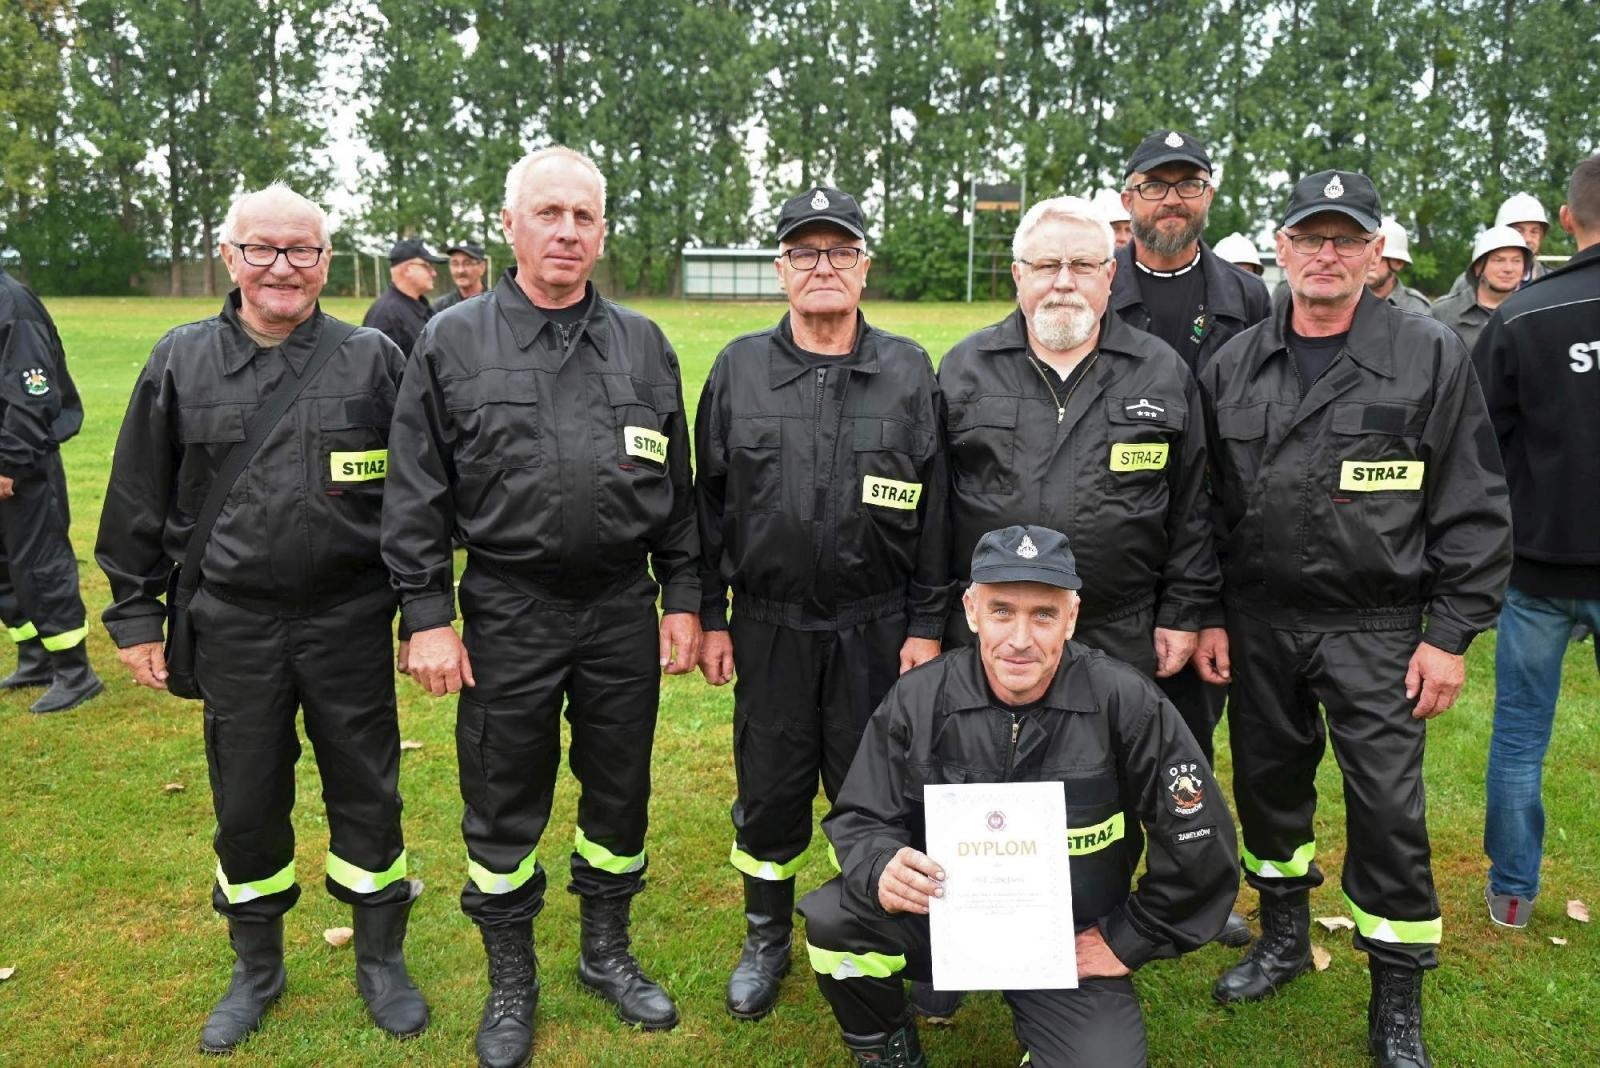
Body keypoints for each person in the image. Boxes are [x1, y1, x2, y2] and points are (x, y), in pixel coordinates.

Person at [383, 145, 700, 1068]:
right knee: (502, 795)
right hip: (507, 608)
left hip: (617, 609)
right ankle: (510, 977)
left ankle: (605, 952)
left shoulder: (643, 343)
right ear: (511, 223)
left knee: (619, 789)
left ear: (603, 230)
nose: (567, 231)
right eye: (549, 213)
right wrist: (428, 615)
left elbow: (678, 492)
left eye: (584, 217)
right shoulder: (451, 339)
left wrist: (682, 593)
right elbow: (414, 492)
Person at [95, 183, 426, 1053]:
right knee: (246, 801)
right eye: (263, 249)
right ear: (229, 255)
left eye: (302, 251)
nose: (283, 266)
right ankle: (257, 966)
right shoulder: (179, 359)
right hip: (234, 624)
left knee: (369, 792)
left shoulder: (374, 359)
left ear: (326, 260)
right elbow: (135, 495)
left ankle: (381, 958)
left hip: (350, 618)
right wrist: (134, 617)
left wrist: (421, 609)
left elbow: (419, 499)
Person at [1196, 169, 1512, 1068]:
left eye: (1347, 238)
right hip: (1259, 625)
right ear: (1282, 250)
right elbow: (1203, 510)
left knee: (1386, 814)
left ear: (1377, 253)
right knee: (1267, 794)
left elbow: (1474, 501)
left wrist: (1450, 635)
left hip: (1379, 628)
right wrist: (1211, 614)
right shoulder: (1234, 363)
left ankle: (1396, 995)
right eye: (1310, 237)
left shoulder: (1428, 354)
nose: (1326, 254)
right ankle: (1285, 939)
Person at [798, 525, 1239, 1067]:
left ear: (1071, 618)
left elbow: (1198, 838)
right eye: (1002, 610)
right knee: (834, 919)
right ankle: (887, 1045)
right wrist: (879, 866)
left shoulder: (1125, 701)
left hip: (1066, 943)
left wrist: (1129, 937)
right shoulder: (917, 698)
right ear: (971, 610)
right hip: (940, 917)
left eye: (1044, 615)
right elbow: (862, 814)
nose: (1021, 639)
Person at [694, 186, 949, 1023]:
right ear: (781, 271)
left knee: (878, 789)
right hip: (770, 628)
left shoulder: (910, 369)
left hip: (877, 626)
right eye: (805, 253)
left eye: (840, 252)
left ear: (864, 267)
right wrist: (713, 616)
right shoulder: (738, 367)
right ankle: (766, 934)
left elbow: (937, 510)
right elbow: (708, 504)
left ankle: (888, 931)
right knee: (770, 789)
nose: (823, 267)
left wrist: (925, 625)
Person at [1110, 129, 1268, 940]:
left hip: (1213, 547)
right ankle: (1099, 882)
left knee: (1186, 738)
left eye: (1188, 182)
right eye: (1156, 184)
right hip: (1115, 545)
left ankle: (1191, 886)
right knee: (1097, 729)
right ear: (1128, 196)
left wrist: (1206, 602)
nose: (1172, 198)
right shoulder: (1093, 290)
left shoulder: (1248, 299)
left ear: (1209, 193)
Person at [1472, 154, 1600, 930]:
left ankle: (1514, 890)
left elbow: (1482, 444)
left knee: (1521, 733)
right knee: (1519, 731)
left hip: (1541, 562)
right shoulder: (1520, 314)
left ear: (1565, 219)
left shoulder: (1523, 314)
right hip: (1542, 568)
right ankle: (1514, 884)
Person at [0, 266, 102, 713]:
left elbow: (32, 393)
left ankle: (75, 672)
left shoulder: (13, 306)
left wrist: (9, 463)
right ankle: (35, 657)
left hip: (20, 462)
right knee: (4, 567)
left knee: (38, 563)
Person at [1429, 226, 1530, 352]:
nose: (1508, 269)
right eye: (1498, 260)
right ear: (1478, 267)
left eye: (1516, 261)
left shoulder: (1532, 312)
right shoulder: (1443, 312)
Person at [1446, 192, 1552, 297]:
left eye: (1534, 232)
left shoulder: (1550, 281)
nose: (1528, 239)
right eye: (1519, 231)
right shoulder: (1468, 283)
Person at [362, 237, 446, 354]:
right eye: (427, 266)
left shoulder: (420, 306)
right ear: (407, 269)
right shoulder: (385, 315)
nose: (434, 273)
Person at [1366, 218, 1432, 313]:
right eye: (1366, 256)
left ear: (1398, 263)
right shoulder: (1343, 299)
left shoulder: (1416, 307)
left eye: (1379, 257)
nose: (1369, 263)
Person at [435, 241, 489, 311]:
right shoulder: (441, 307)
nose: (460, 270)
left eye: (467, 263)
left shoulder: (495, 305)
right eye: (455, 264)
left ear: (482, 267)